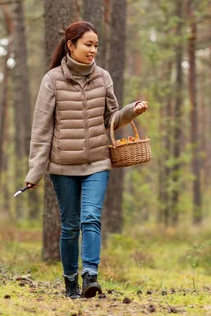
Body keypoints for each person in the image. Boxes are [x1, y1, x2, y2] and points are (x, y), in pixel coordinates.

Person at [24, 21, 149, 299]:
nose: (93, 50)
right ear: (71, 45)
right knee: (70, 225)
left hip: (97, 163)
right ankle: (70, 283)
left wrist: (131, 112)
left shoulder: (103, 77)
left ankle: (90, 276)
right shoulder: (53, 80)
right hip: (62, 165)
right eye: (88, 44)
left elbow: (110, 120)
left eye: (96, 45)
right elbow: (42, 128)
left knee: (91, 218)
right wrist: (35, 171)